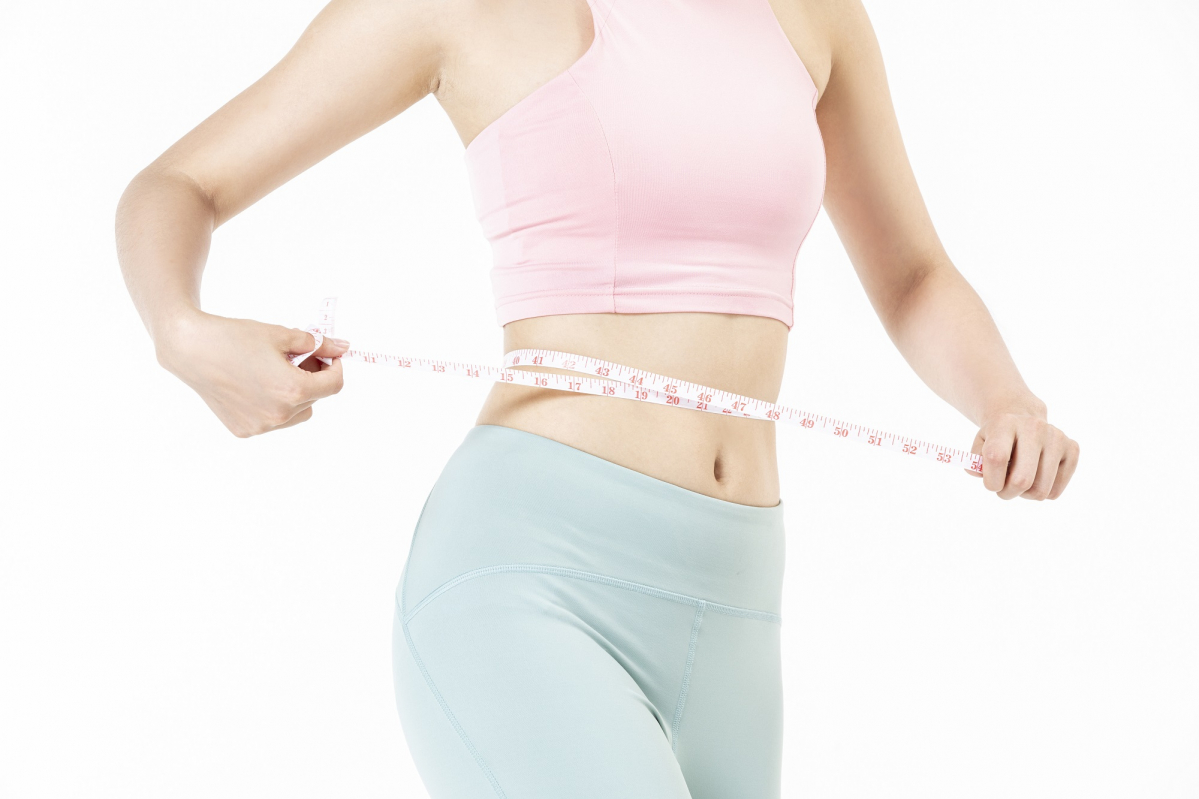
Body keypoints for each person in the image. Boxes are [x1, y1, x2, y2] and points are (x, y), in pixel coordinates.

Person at [115, 0, 1080, 796]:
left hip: (738, 602)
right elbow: (177, 183)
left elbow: (912, 274)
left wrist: (1004, 398)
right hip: (532, 578)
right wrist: (181, 330)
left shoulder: (814, 14)